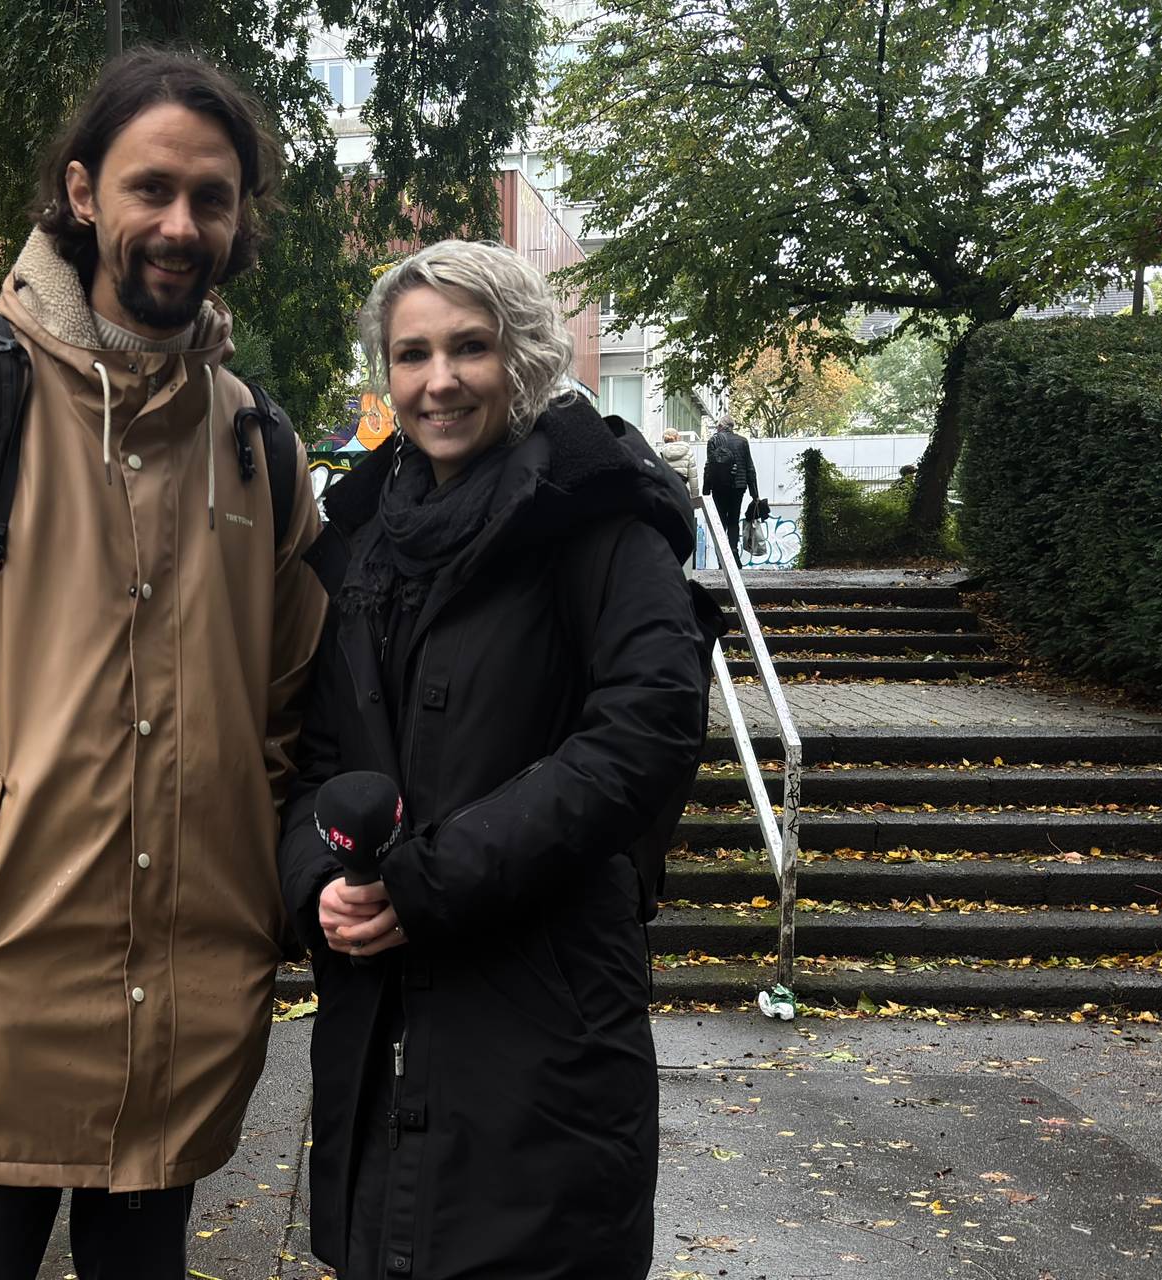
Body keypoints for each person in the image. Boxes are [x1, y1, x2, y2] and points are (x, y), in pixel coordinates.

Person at [0, 50, 328, 1279]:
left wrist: (254, 892)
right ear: (82, 192)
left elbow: (291, 706)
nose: (179, 224)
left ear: (242, 217)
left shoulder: (257, 446)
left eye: (213, 196)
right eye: (151, 188)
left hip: (188, 1015)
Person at [276, 240, 709, 1278]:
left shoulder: (597, 519)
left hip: (544, 1017)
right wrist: (316, 882)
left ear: (522, 354)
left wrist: (427, 881)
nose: (438, 380)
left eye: (468, 347)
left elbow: (644, 725)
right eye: (411, 352)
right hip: (377, 1032)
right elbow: (319, 747)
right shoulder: (366, 533)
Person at [703, 420, 760, 562]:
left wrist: (706, 489)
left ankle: (721, 558)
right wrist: (754, 493)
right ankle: (733, 551)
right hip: (738, 486)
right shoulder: (742, 442)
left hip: (719, 487)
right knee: (733, 520)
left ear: (721, 426)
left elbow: (709, 466)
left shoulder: (713, 441)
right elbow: (749, 467)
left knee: (720, 521)